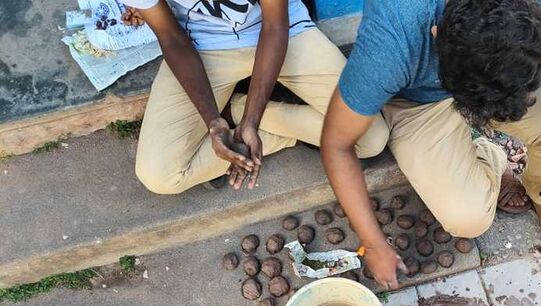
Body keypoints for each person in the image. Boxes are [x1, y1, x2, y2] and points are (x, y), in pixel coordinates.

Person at [321, 0, 541, 289]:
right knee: (468, 218)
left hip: (503, 80)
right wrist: (373, 243)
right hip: (417, 100)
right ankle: (486, 154)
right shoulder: (394, 35)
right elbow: (337, 144)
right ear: (435, 34)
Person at [125, 0, 388, 194]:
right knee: (159, 175)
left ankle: (236, 112)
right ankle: (240, 124)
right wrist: (213, 122)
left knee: (371, 138)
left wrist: (250, 119)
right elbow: (172, 39)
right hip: (201, 43)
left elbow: (275, 25)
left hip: (286, 30)